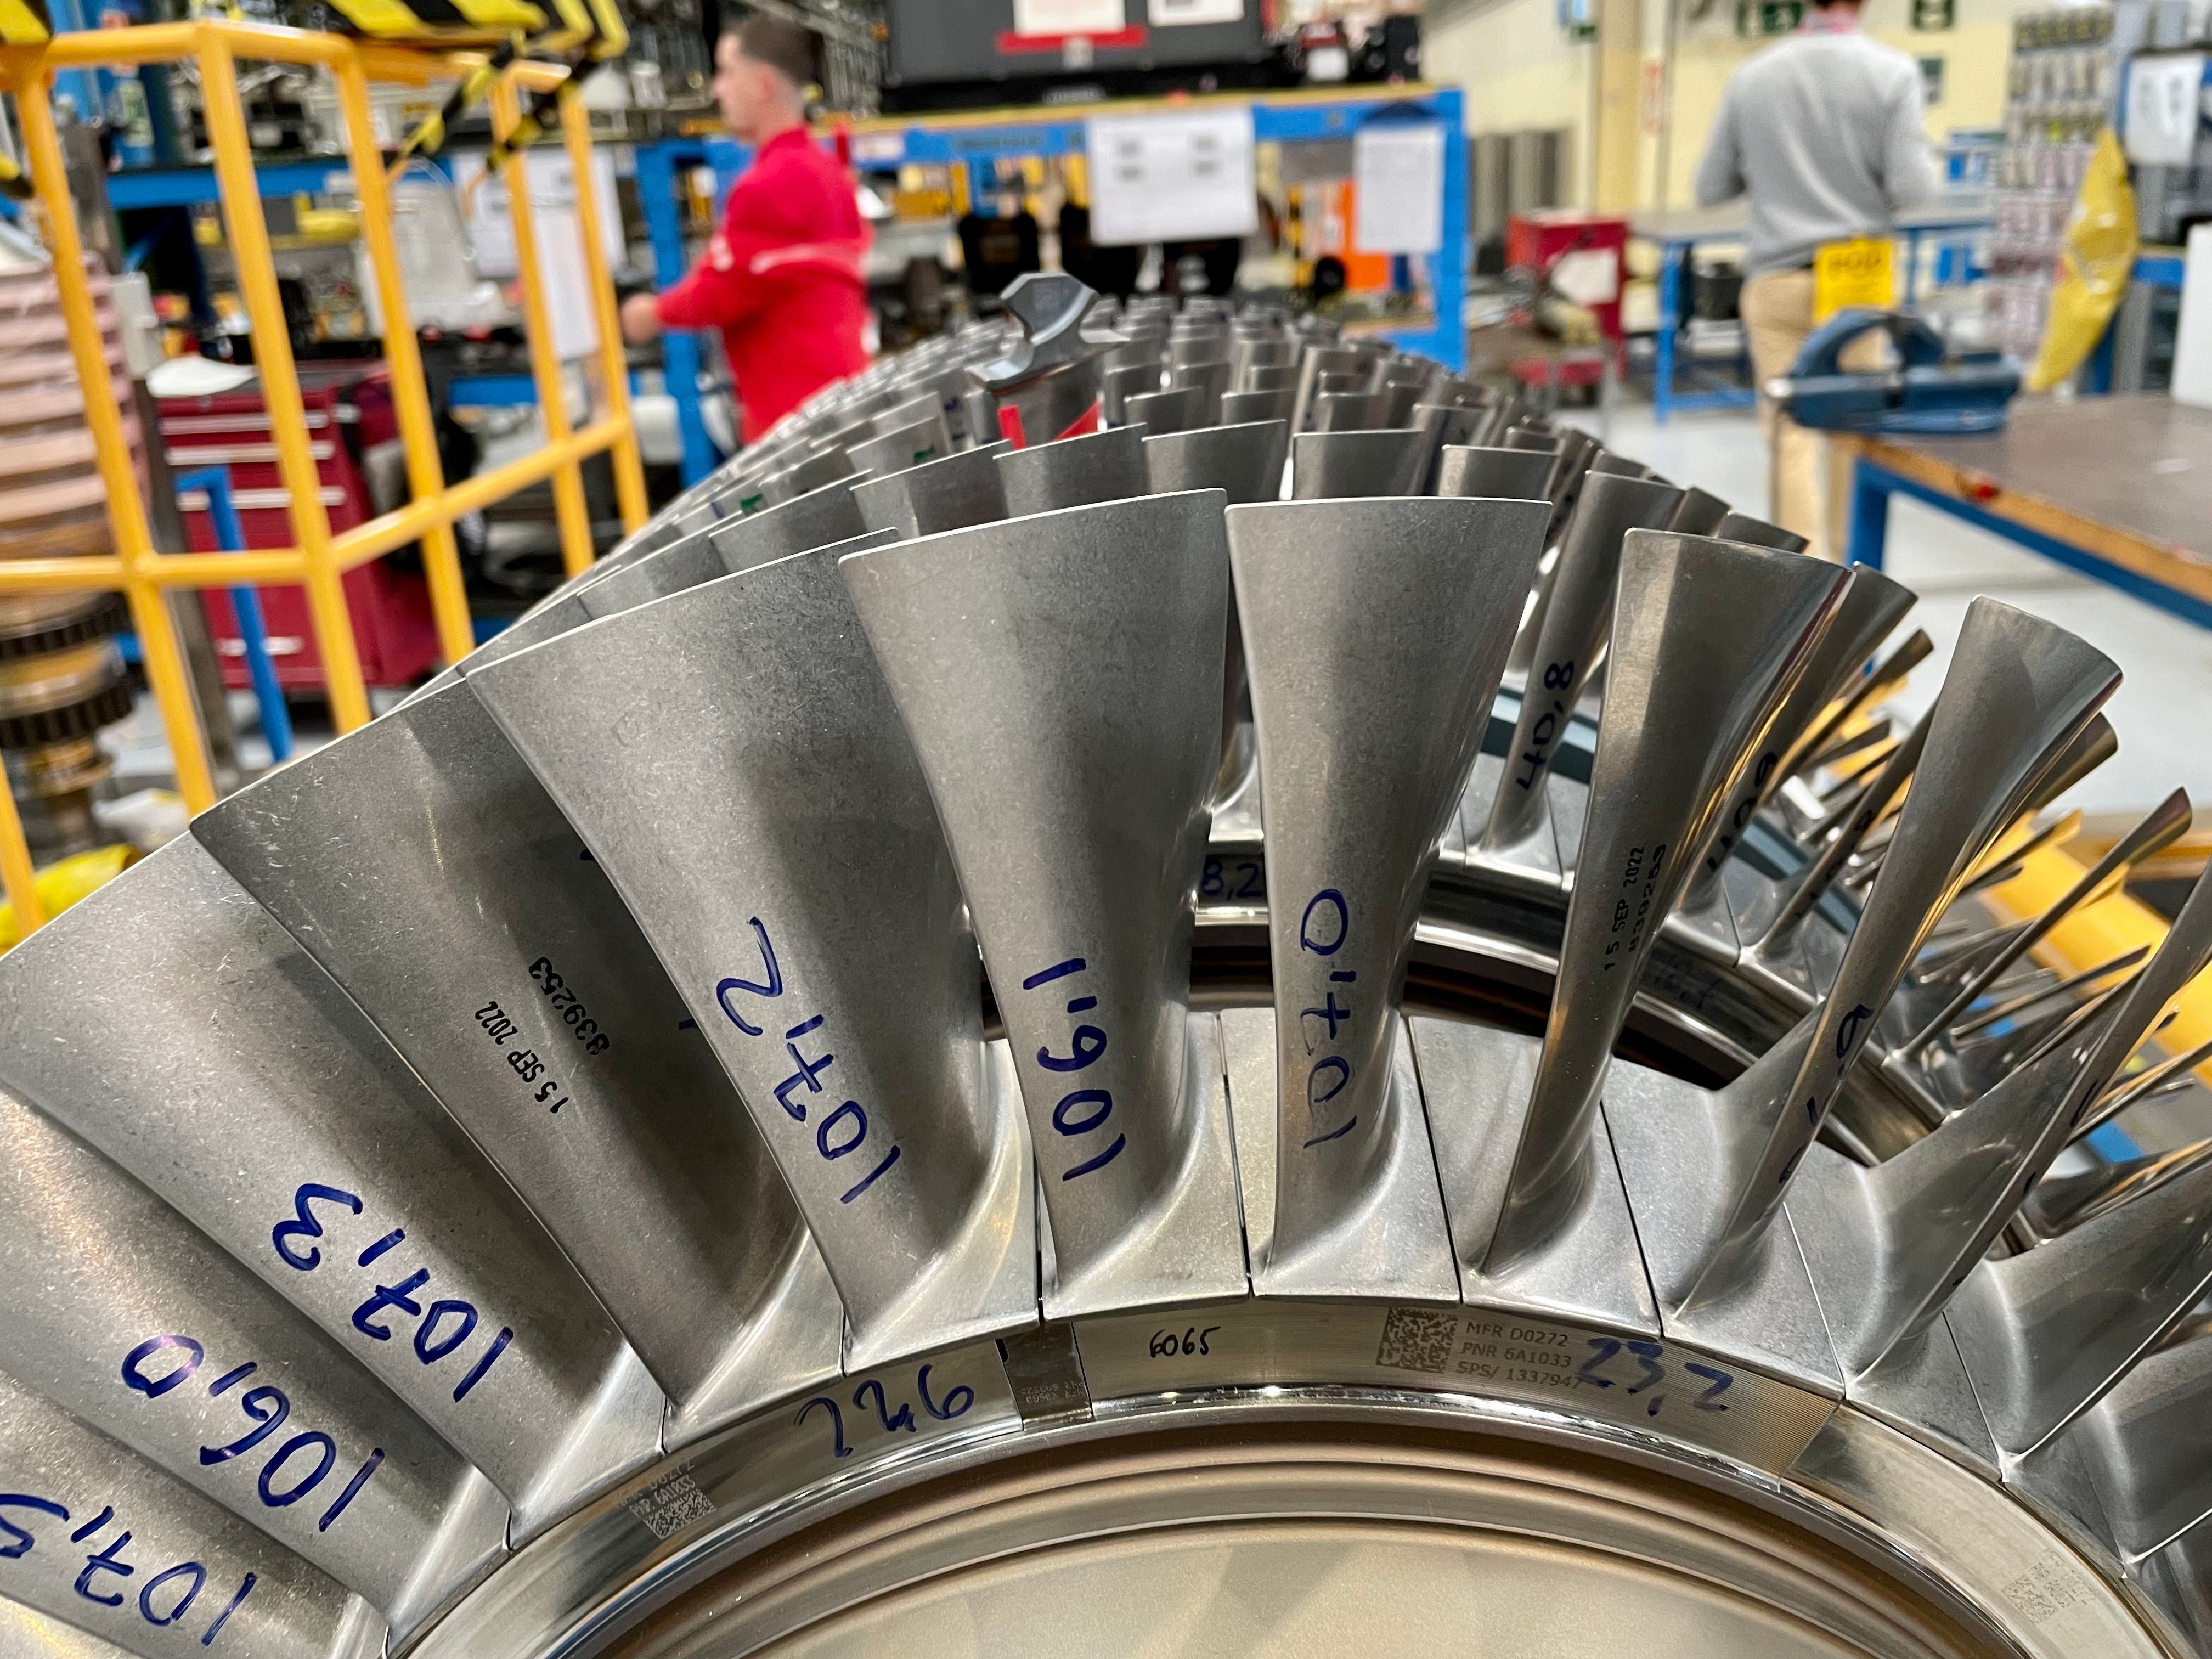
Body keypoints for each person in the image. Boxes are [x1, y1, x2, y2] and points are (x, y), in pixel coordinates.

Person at [1695, 0, 1939, 557]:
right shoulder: (1893, 73)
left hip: (1777, 278)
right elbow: (1916, 189)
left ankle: (1804, 581)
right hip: (1859, 285)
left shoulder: (1752, 77)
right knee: (1851, 434)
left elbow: (1711, 186)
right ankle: (1853, 577)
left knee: (1790, 438)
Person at [620, 15, 869, 444]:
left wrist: (648, 315)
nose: (717, 89)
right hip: (838, 403)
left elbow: (720, 293)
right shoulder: (826, 170)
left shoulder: (769, 183)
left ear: (764, 84)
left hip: (794, 425)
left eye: (727, 72)